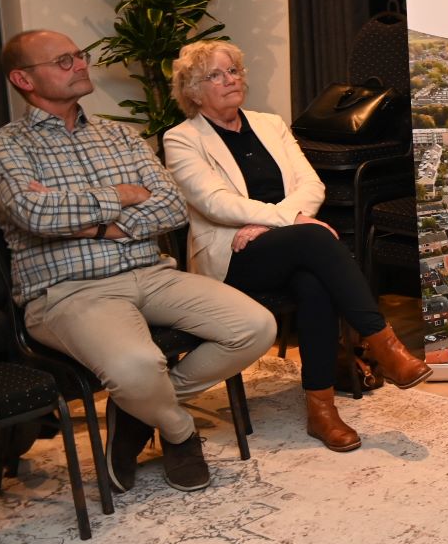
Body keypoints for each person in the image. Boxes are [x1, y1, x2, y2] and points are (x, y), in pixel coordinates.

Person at [0, 30, 276, 492]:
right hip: (69, 290)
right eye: (63, 61)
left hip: (151, 273)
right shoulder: (6, 145)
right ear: (24, 79)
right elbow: (34, 214)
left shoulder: (119, 135)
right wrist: (122, 195)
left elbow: (172, 207)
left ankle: (136, 408)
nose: (80, 65)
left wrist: (87, 218)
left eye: (79, 55)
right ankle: (178, 431)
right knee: (138, 365)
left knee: (256, 326)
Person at [162, 39, 431, 453]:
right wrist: (290, 219)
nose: (230, 79)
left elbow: (312, 185)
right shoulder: (182, 139)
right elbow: (214, 202)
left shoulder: (269, 124)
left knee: (314, 280)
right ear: (193, 92)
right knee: (314, 237)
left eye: (233, 70)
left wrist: (271, 222)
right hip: (232, 255)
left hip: (284, 241)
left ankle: (322, 410)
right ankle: (383, 344)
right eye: (215, 75)